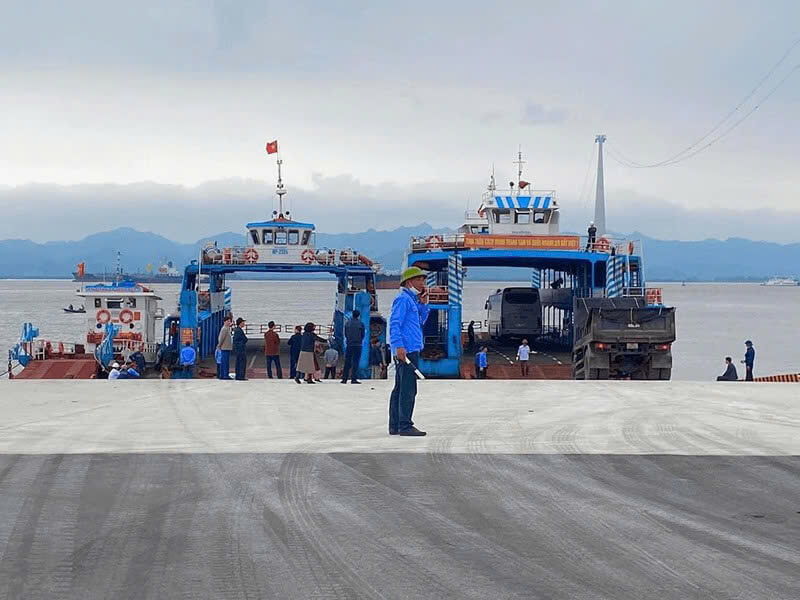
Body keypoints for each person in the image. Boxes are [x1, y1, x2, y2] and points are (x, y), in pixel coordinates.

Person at [388, 266, 431, 436]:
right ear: (408, 282)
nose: (422, 283)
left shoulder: (412, 300)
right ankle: (405, 425)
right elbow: (394, 323)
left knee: (400, 388)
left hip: (409, 349)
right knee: (408, 389)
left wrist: (424, 304)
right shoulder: (403, 300)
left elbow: (420, 321)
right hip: (407, 350)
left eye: (423, 279)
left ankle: (395, 425)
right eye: (419, 279)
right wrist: (398, 346)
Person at [341, 309, 365, 384]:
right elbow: (362, 335)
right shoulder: (361, 324)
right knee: (356, 362)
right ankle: (353, 378)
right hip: (358, 344)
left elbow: (345, 334)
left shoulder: (347, 323)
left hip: (349, 344)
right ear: (358, 315)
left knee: (347, 361)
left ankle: (344, 378)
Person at [217, 315, 233, 380]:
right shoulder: (224, 329)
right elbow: (221, 338)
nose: (229, 322)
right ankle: (225, 375)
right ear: (224, 322)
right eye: (228, 321)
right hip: (225, 348)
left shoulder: (227, 328)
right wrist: (219, 345)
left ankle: (223, 375)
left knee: (224, 362)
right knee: (225, 362)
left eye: (230, 321)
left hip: (227, 348)